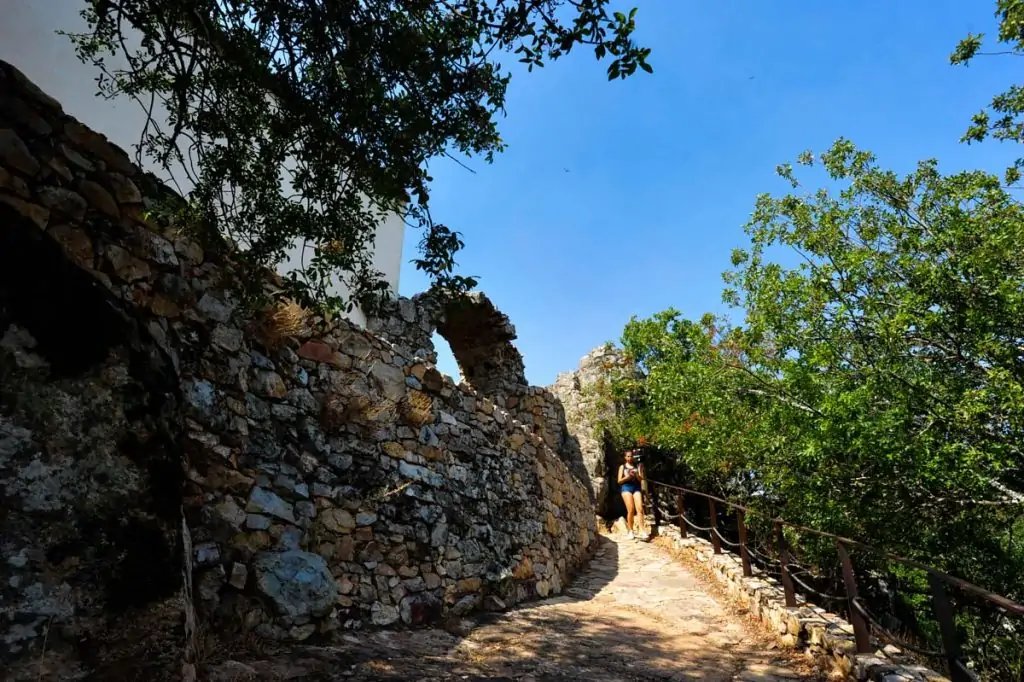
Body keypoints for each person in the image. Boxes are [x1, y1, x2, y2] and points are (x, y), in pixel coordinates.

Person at [617, 449, 645, 540]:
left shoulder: (637, 466)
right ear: (625, 457)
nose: (629, 458)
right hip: (626, 488)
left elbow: (641, 479)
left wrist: (636, 474)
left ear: (633, 456)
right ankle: (630, 531)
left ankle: (642, 530)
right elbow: (619, 481)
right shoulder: (622, 467)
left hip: (636, 487)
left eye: (631, 456)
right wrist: (628, 477)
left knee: (640, 508)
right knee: (631, 510)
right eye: (628, 456)